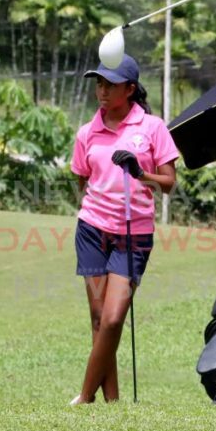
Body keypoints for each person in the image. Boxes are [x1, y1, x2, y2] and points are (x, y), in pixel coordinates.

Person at [69, 54, 178, 405]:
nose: (102, 90)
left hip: (133, 235)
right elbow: (83, 177)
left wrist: (139, 173)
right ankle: (113, 404)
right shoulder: (87, 132)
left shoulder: (152, 128)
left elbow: (169, 183)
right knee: (99, 318)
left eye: (110, 84)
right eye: (99, 83)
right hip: (92, 230)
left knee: (114, 318)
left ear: (130, 89)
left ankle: (85, 398)